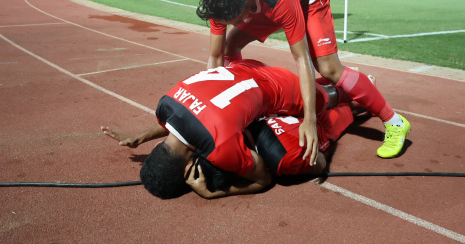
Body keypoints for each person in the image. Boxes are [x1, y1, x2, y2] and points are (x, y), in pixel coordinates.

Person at [197, 0, 410, 164]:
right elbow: (216, 57)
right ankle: (239, 101)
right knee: (229, 46)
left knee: (328, 68)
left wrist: (309, 120)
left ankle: (394, 122)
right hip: (263, 2)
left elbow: (301, 58)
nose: (234, 25)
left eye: (235, 20)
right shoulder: (223, 0)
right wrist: (211, 108)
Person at [102, 59, 345, 199]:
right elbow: (192, 117)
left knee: (328, 100)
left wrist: (216, 193)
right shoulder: (164, 106)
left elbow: (265, 178)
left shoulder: (220, 149)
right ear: (156, 145)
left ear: (189, 167)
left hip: (281, 88)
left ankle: (353, 92)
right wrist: (143, 135)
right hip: (244, 67)